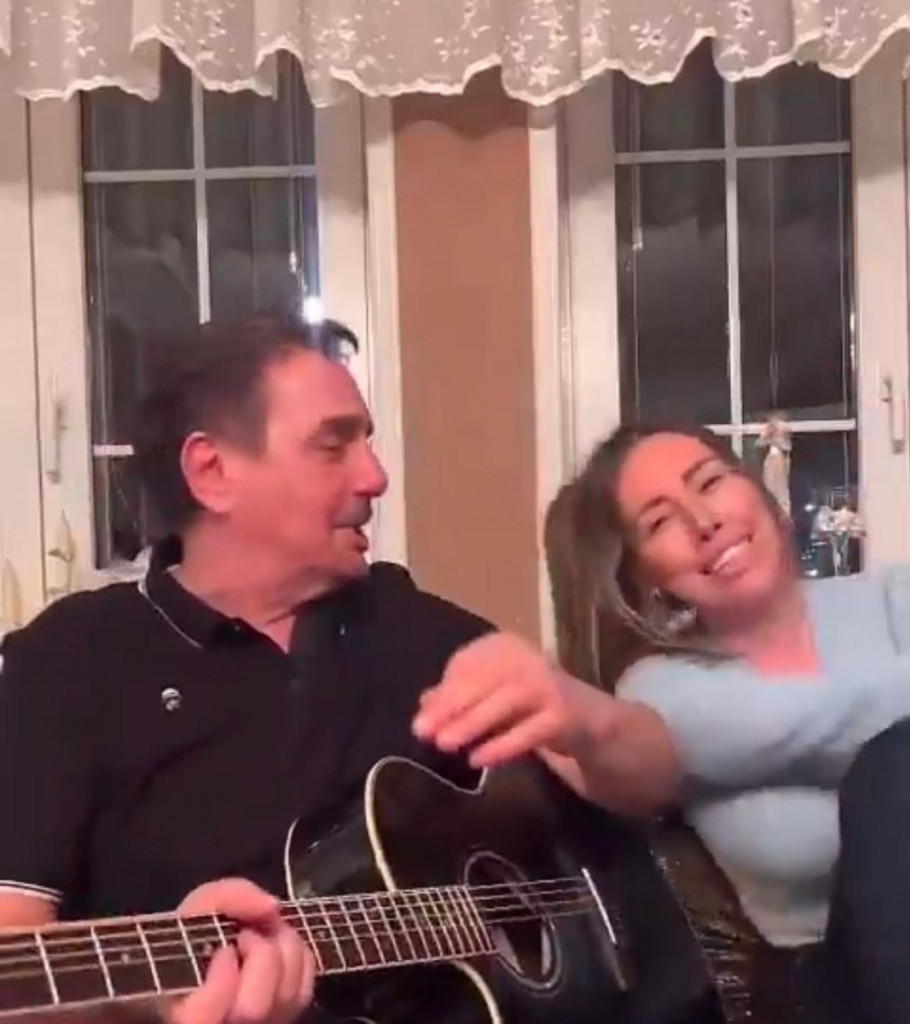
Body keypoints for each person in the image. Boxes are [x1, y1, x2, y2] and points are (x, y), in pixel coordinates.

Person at [0, 315, 681, 1024]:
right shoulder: (68, 659)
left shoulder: (411, 623)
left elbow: (657, 779)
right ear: (212, 471)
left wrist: (585, 716)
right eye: (334, 446)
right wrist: (147, 1006)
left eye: (368, 442)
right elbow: (15, 964)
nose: (376, 477)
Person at [541, 422, 910, 1020]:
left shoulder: (895, 595)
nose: (704, 522)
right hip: (837, 983)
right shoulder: (661, 690)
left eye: (711, 483)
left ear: (758, 491)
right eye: (660, 522)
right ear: (645, 576)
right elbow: (817, 723)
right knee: (894, 766)